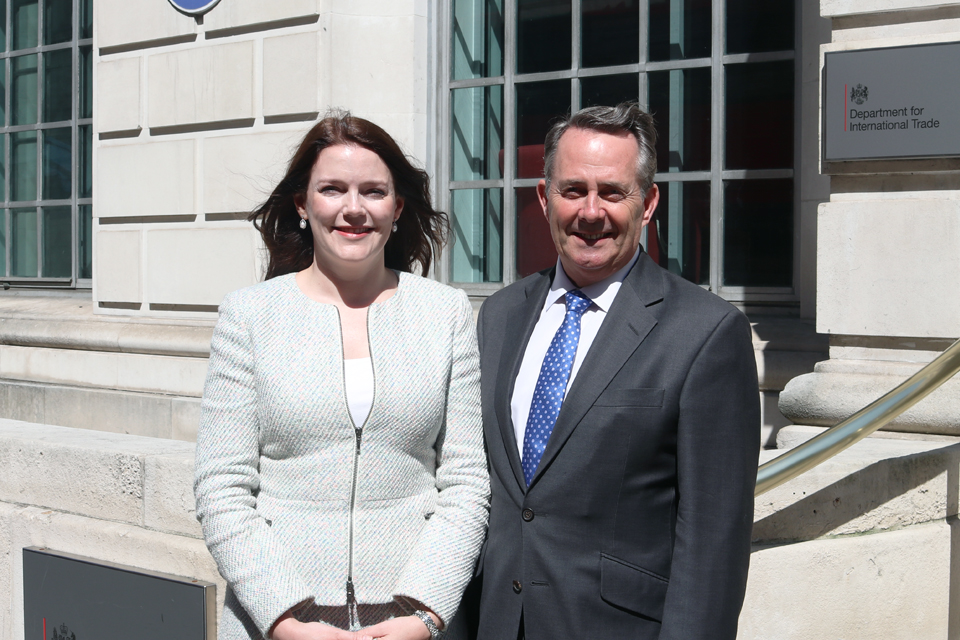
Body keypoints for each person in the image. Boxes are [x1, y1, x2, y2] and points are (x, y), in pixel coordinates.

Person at [194, 112, 490, 640]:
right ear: (303, 205)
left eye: (373, 191)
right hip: (279, 624)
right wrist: (285, 619)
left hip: (409, 624)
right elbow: (222, 487)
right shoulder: (250, 316)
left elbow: (466, 482)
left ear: (397, 208)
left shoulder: (444, 314)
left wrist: (424, 614)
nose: (353, 209)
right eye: (332, 189)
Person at [471, 103, 760, 639]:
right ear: (544, 197)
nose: (590, 211)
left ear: (648, 203)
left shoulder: (706, 333)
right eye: (573, 189)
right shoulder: (501, 315)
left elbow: (713, 544)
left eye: (612, 192)